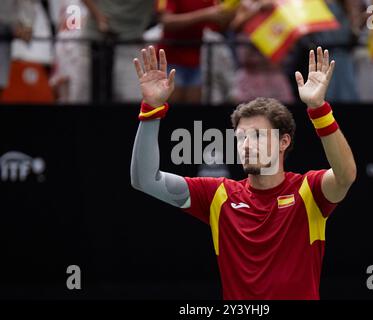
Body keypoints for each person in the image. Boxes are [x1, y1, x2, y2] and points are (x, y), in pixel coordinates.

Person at [130, 45, 357, 299]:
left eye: (258, 136)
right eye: (241, 138)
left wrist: (318, 109)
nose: (247, 145)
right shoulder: (219, 195)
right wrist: (151, 110)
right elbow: (145, 180)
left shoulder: (308, 191)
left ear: (284, 142)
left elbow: (346, 174)